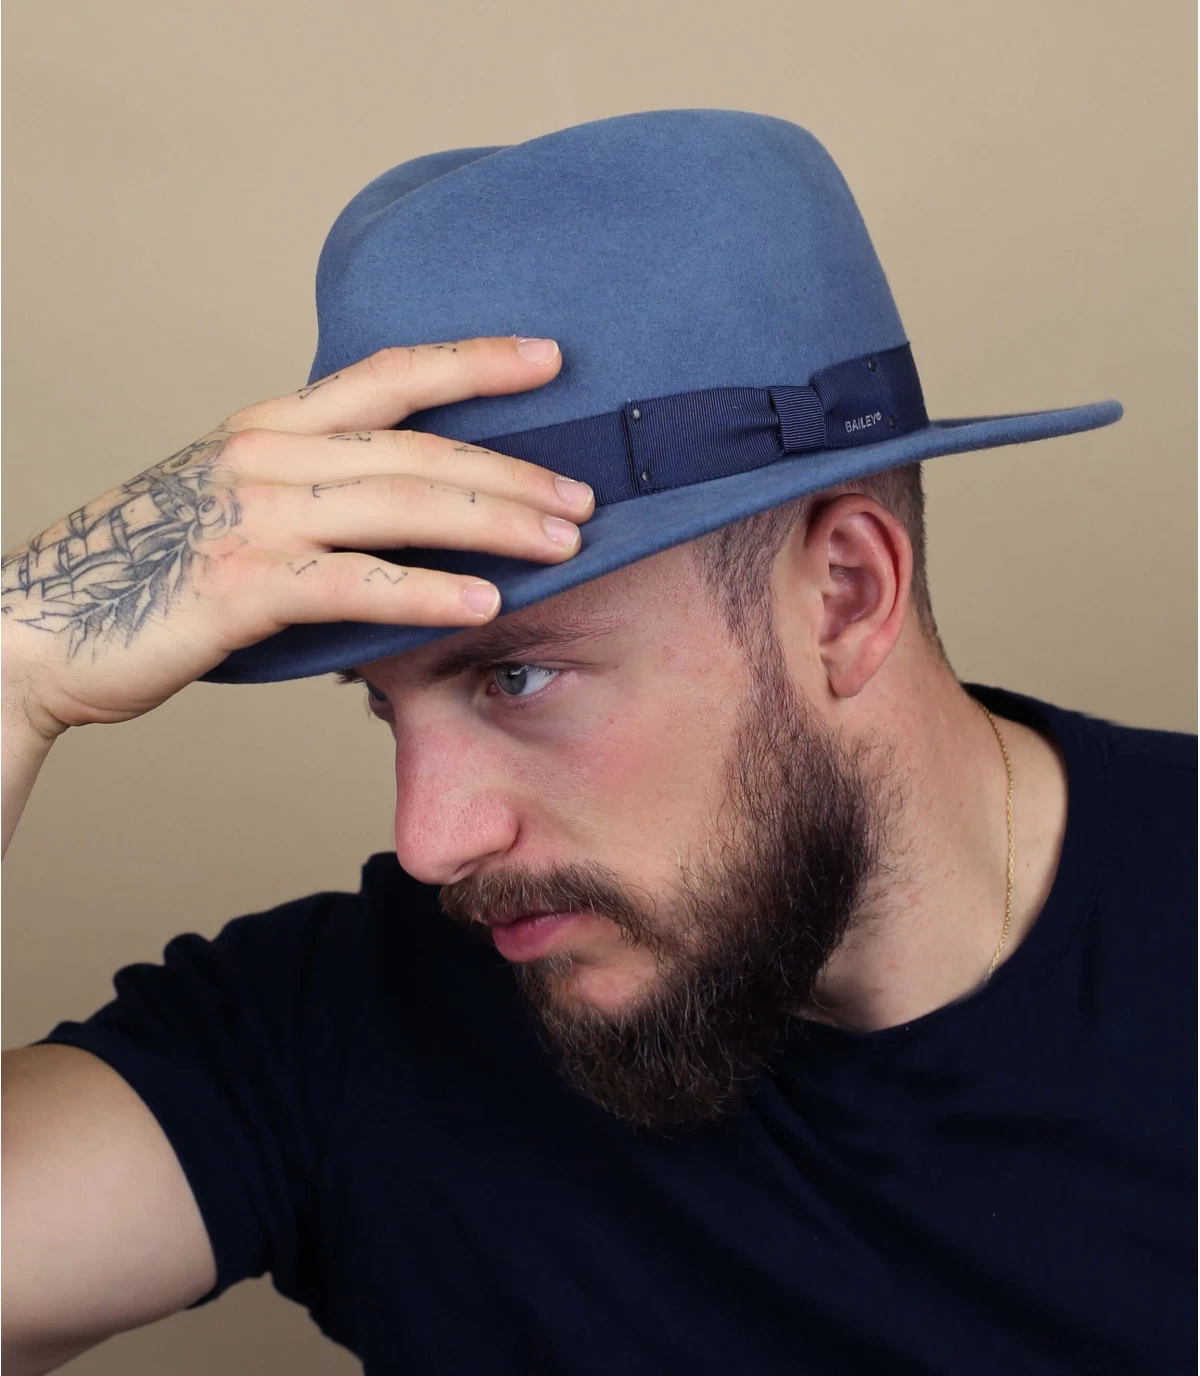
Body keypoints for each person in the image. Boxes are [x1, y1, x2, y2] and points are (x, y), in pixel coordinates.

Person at [1, 110, 1193, 1376]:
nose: (430, 842)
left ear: (844, 596)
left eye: (516, 675)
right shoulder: (351, 1025)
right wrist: (16, 661)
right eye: (383, 702)